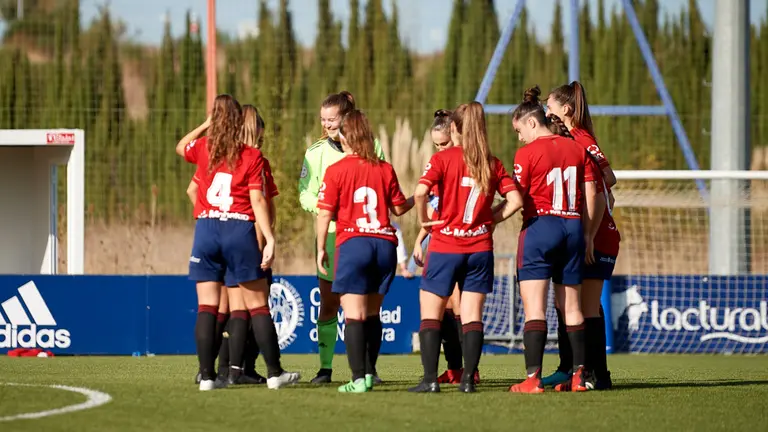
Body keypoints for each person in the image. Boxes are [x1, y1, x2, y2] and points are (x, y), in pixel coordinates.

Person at [176, 94, 299, 391]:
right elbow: (257, 199)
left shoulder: (206, 149)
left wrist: (206, 125)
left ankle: (207, 377)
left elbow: (181, 147)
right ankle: (274, 373)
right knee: (257, 306)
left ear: (215, 120)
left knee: (207, 305)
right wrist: (269, 238)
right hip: (238, 229)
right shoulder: (251, 156)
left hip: (206, 227)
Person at [409, 102, 523, 393]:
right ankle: (469, 380)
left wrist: (425, 221)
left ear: (455, 128)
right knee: (472, 317)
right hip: (480, 248)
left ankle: (430, 380)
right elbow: (516, 201)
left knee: (431, 314)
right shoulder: (491, 162)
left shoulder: (443, 159)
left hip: (447, 245)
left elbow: (421, 192)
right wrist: (489, 219)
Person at [505, 86, 603, 393]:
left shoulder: (526, 153)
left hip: (540, 227)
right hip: (572, 227)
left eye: (518, 130)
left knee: (535, 309)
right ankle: (578, 377)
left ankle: (533, 379)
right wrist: (587, 234)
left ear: (531, 123)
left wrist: (492, 214)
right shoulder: (577, 148)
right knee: (572, 309)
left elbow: (516, 197)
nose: (519, 137)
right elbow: (592, 193)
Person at [316, 109, 413, 393]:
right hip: (384, 244)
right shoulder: (384, 168)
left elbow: (324, 214)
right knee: (373, 314)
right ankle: (370, 372)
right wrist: (417, 198)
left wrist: (322, 247)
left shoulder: (337, 170)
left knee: (354, 316)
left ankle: (358, 379)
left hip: (354, 244)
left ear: (346, 137)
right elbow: (398, 208)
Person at [298, 91, 387, 384]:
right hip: (332, 236)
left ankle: (367, 370)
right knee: (329, 303)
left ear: (346, 118)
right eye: (323, 119)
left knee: (368, 308)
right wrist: (328, 209)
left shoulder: (372, 148)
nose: (327, 125)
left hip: (363, 235)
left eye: (332, 119)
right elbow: (305, 194)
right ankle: (325, 368)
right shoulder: (315, 152)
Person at [189, 105, 271, 385]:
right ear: (252, 129)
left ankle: (209, 371)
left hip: (211, 235)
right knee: (245, 309)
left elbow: (192, 188)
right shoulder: (253, 158)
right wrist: (264, 241)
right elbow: (261, 204)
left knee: (215, 309)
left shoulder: (213, 154)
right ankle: (240, 370)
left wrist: (209, 215)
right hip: (243, 238)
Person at [544, 82, 620, 390]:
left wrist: (589, 232)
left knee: (584, 307)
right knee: (568, 304)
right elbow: (609, 179)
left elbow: (606, 182)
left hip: (595, 235)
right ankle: (574, 369)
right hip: (586, 232)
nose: (546, 113)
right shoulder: (576, 139)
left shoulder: (578, 139)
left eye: (549, 107)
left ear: (565, 110)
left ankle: (593, 375)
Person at [411, 109, 480, 386]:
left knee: (459, 306)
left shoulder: (464, 162)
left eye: (444, 143)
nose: (440, 149)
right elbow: (434, 209)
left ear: (455, 134)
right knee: (447, 307)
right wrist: (419, 240)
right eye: (436, 145)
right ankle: (454, 368)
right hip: (441, 240)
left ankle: (468, 370)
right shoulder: (439, 164)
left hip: (460, 242)